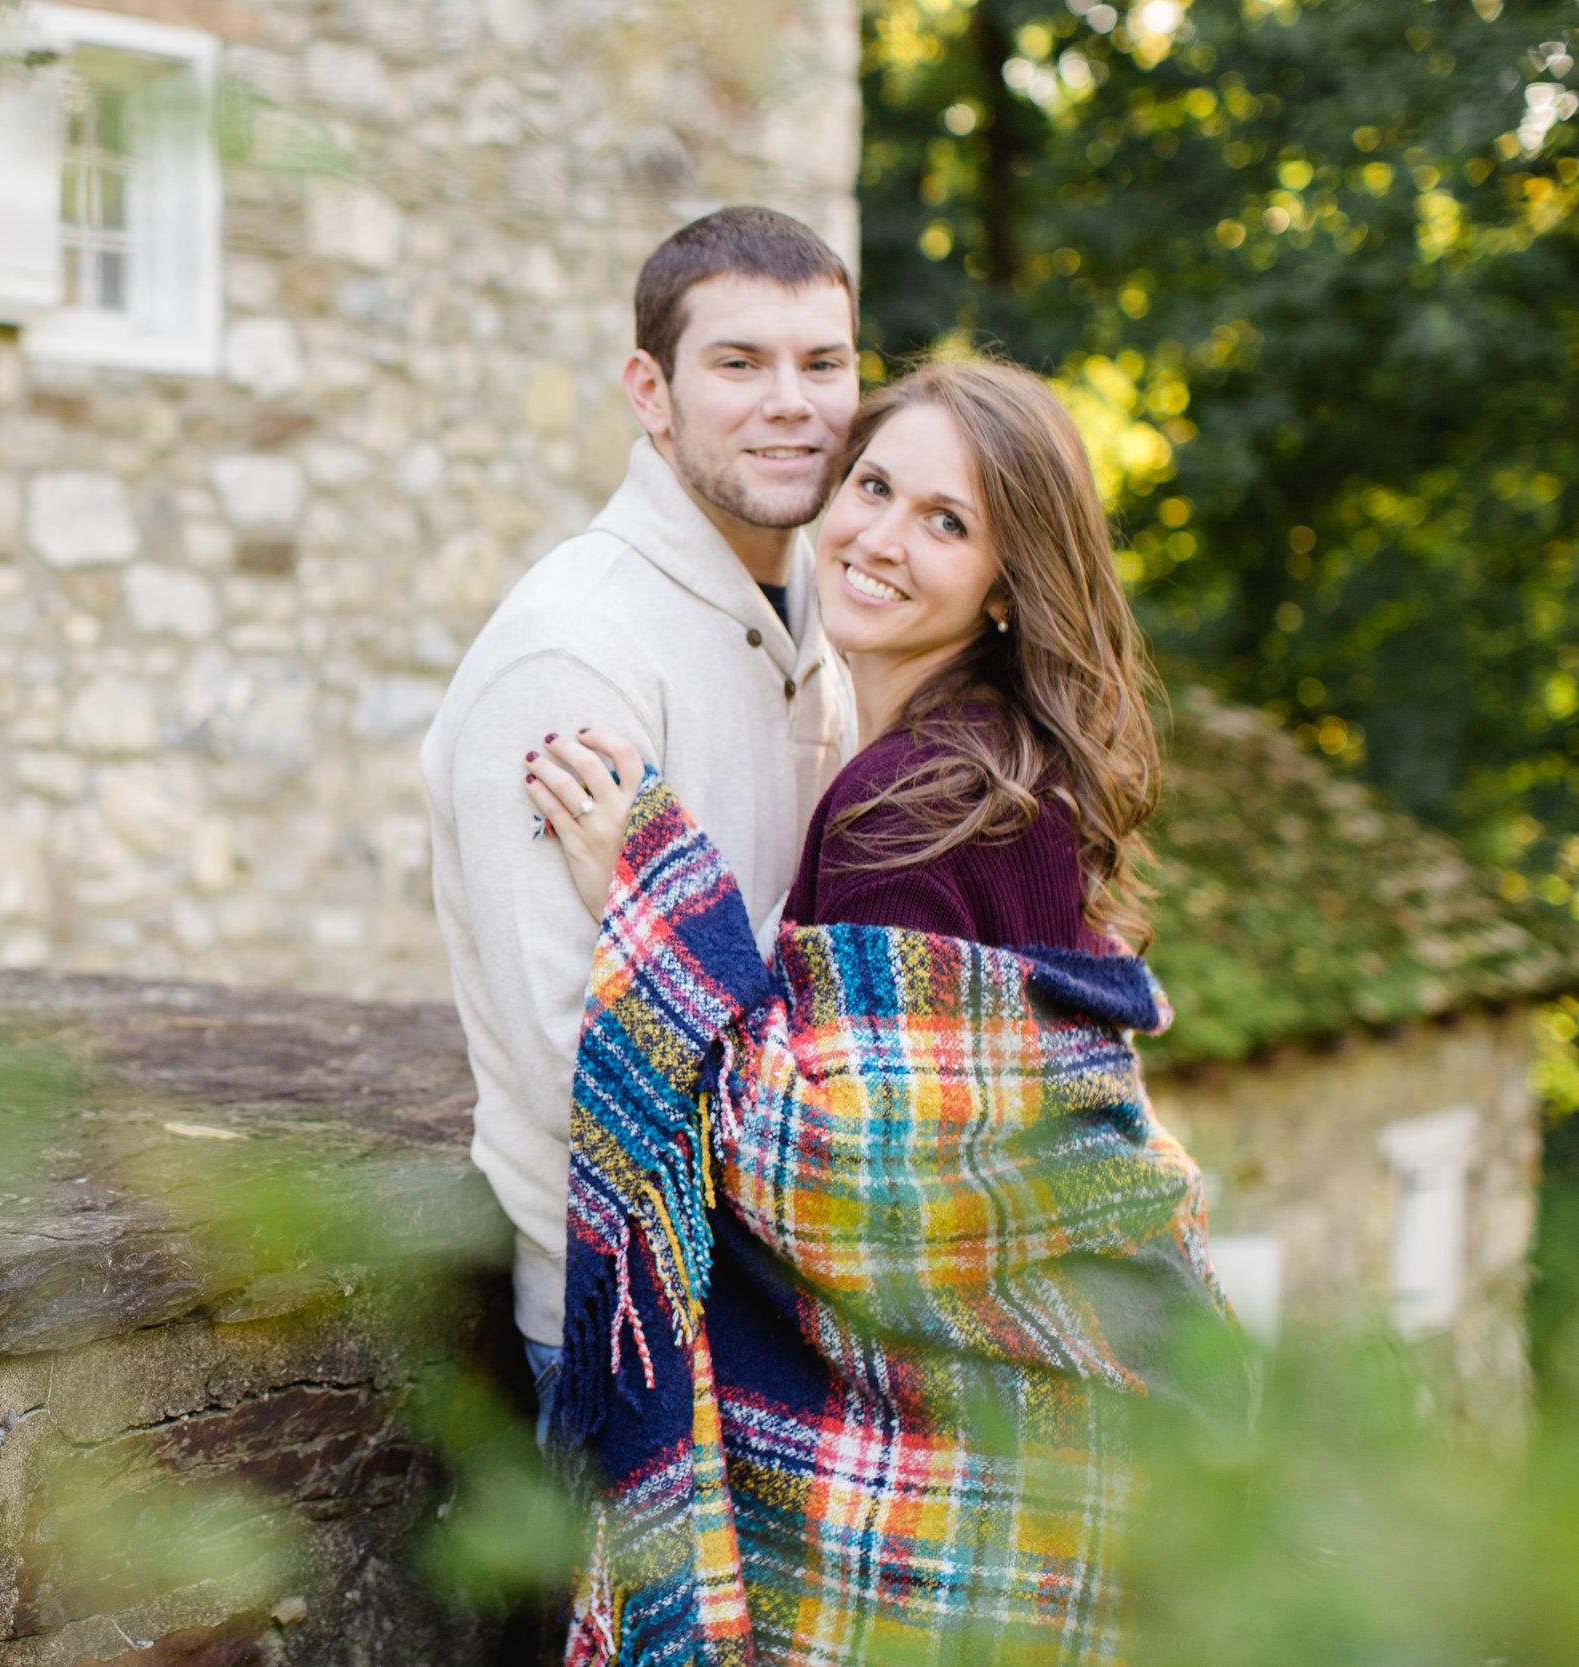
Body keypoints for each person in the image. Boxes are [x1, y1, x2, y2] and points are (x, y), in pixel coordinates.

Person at [522, 358, 1241, 1666]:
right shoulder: (1005, 765)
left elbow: (854, 1178)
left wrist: (661, 897)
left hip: (960, 1467)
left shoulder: (914, 808)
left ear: (1009, 580)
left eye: (947, 521)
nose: (881, 539)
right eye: (873, 487)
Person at [419, 206, 862, 1437]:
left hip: (786, 1297)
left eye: (822, 362)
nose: (792, 402)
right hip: (632, 1320)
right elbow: (579, 1071)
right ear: (649, 391)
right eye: (739, 363)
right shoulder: (572, 654)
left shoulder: (839, 598)